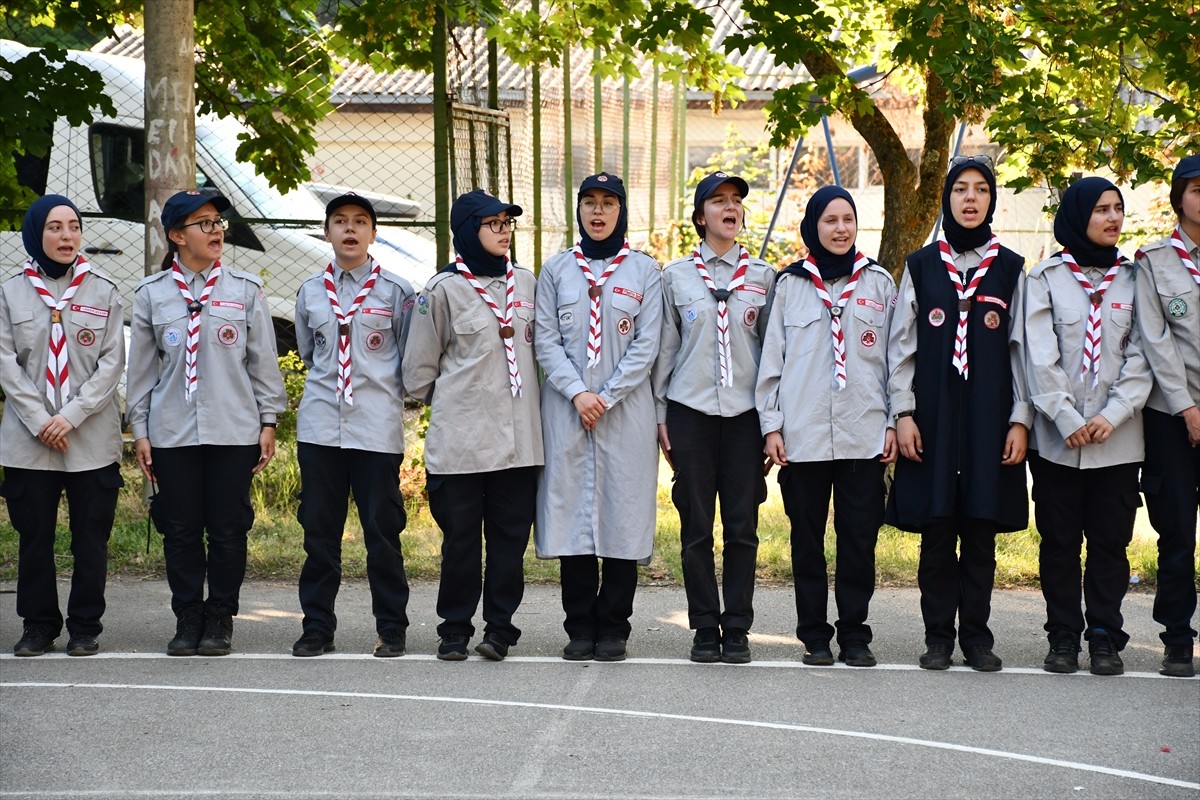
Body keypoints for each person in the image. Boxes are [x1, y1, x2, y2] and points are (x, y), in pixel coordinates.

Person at [887, 156, 1031, 672]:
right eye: (960, 190)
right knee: (937, 527)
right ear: (947, 198)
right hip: (935, 419)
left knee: (979, 529)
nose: (970, 199)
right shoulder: (921, 266)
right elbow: (900, 349)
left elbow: (1022, 353)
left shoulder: (1012, 268)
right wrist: (903, 413)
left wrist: (1020, 419)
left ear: (992, 201)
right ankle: (937, 638)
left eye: (981, 190)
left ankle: (977, 637)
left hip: (989, 420)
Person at [126, 190, 286, 656]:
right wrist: (141, 430)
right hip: (172, 431)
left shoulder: (245, 290)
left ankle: (220, 618)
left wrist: (268, 420)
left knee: (229, 527)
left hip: (232, 429)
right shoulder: (151, 295)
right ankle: (186, 617)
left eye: (218, 222)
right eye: (203, 224)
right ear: (177, 236)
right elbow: (142, 372)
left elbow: (262, 364)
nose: (216, 231)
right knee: (178, 528)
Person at [758, 186, 897, 668]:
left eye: (848, 220)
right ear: (813, 227)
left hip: (864, 433)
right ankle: (814, 635)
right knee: (807, 540)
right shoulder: (791, 285)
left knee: (859, 539)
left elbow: (896, 359)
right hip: (804, 435)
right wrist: (772, 426)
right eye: (830, 221)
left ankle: (855, 633)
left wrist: (895, 420)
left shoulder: (879, 282)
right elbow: (771, 362)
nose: (840, 229)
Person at [403, 189, 542, 662]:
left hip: (518, 444)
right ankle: (454, 629)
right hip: (461, 443)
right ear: (468, 231)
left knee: (509, 541)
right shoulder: (442, 290)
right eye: (493, 224)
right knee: (461, 541)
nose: (504, 232)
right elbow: (418, 371)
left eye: (507, 223)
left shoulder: (526, 283)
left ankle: (500, 629)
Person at [1025, 176, 1151, 676]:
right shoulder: (1045, 279)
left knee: (1109, 543)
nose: (1112, 218)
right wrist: (1068, 417)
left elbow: (1145, 355)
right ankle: (1061, 637)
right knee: (1058, 542)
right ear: (1079, 216)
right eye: (1101, 209)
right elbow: (1037, 355)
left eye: (1118, 208)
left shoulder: (1137, 279)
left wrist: (1110, 415)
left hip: (1118, 441)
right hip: (1059, 441)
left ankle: (1104, 635)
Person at [534, 172, 662, 662]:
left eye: (608, 202)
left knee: (622, 517)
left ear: (621, 210)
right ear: (579, 210)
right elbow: (545, 339)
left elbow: (647, 344)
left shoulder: (644, 271)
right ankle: (579, 626)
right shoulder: (558, 270)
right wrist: (577, 393)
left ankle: (615, 627)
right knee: (573, 518)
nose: (598, 211)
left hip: (624, 411)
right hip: (568, 410)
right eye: (589, 202)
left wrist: (604, 397)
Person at [654, 171, 775, 664]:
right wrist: (662, 414)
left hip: (745, 417)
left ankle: (738, 628)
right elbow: (665, 349)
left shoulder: (765, 278)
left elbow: (774, 357)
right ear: (701, 216)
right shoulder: (675, 276)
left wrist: (772, 423)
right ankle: (705, 626)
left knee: (743, 527)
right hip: (691, 414)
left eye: (736, 202)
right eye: (718, 201)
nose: (730, 208)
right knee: (696, 527)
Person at [291, 193, 416, 658]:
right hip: (321, 426)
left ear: (373, 233)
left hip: (375, 428)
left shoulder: (396, 292)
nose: (349, 229)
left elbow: (407, 357)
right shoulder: (309, 291)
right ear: (327, 231)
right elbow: (310, 352)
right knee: (319, 532)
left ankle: (392, 627)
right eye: (339, 221)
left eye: (360, 222)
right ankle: (317, 627)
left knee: (382, 532)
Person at [0, 195, 125, 657]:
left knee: (91, 538)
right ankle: (38, 625)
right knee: (35, 540)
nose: (67, 236)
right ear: (36, 234)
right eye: (55, 227)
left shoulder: (103, 290)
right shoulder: (10, 292)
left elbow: (113, 363)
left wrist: (69, 416)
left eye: (73, 226)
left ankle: (85, 625)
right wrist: (40, 420)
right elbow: (5, 364)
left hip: (89, 438)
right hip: (28, 441)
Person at [1133, 153, 1200, 678]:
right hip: (1170, 419)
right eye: (1196, 189)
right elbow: (1156, 343)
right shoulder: (1154, 262)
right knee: (1176, 530)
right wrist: (1188, 408)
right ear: (1179, 198)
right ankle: (1177, 638)